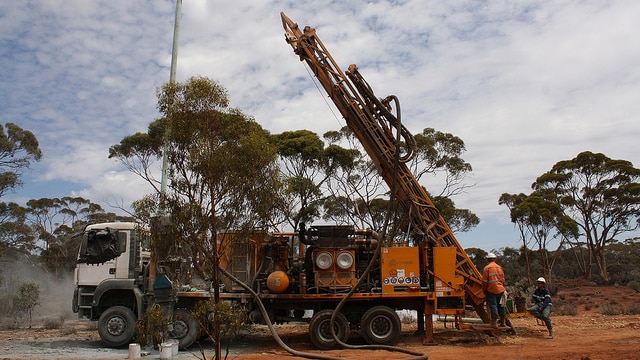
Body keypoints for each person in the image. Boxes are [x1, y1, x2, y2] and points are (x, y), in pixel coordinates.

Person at [482, 253, 506, 327]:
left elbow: (484, 281)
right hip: (501, 289)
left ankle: (494, 322)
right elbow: (502, 280)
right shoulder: (499, 267)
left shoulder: (487, 268)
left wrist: (484, 290)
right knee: (501, 306)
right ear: (495, 259)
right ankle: (503, 322)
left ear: (488, 260)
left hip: (491, 290)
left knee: (493, 305)